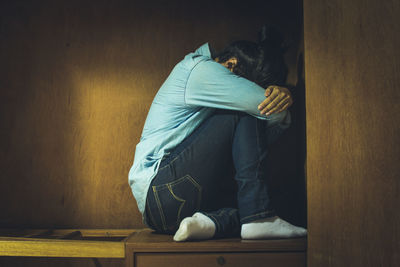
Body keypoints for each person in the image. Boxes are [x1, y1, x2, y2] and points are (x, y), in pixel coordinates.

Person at [128, 26, 307, 241]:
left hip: (161, 213)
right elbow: (273, 113)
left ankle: (209, 222)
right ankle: (258, 217)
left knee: (274, 205)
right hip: (162, 189)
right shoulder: (200, 69)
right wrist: (285, 95)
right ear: (230, 64)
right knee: (246, 111)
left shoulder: (203, 76)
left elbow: (254, 141)